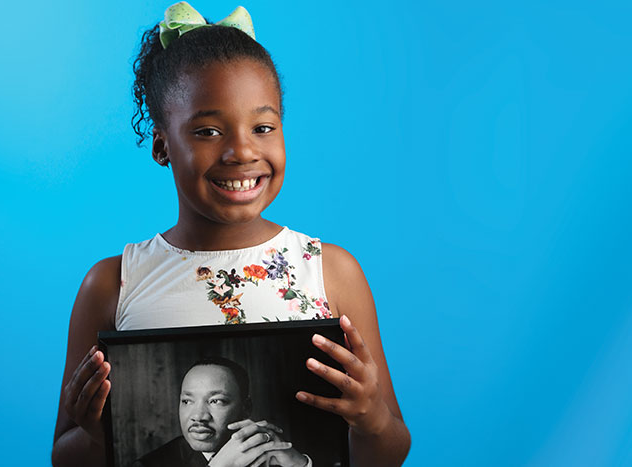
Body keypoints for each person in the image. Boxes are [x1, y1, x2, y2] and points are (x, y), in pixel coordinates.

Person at [53, 3, 411, 466]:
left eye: (263, 127)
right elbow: (64, 457)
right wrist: (99, 434)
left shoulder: (333, 272)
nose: (241, 151)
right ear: (162, 145)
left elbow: (390, 450)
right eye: (207, 131)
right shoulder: (111, 284)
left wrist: (373, 419)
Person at [135, 357, 308, 467]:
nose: (198, 416)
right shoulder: (149, 464)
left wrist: (302, 465)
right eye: (187, 401)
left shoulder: (268, 454)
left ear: (246, 408)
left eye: (216, 401)